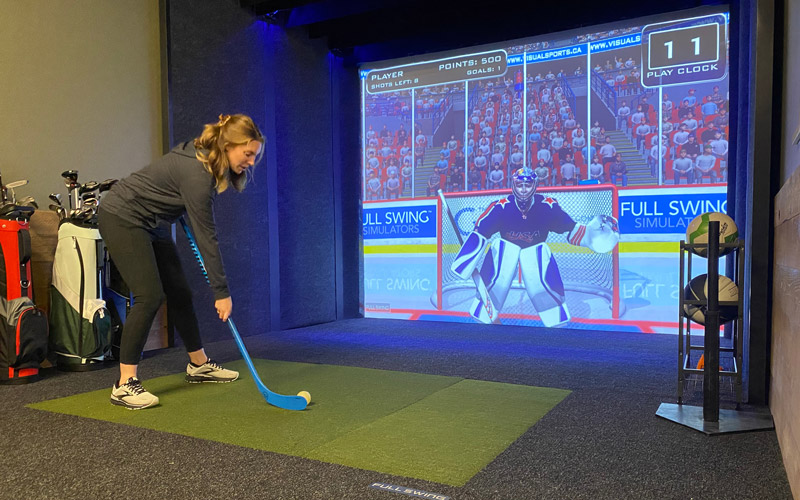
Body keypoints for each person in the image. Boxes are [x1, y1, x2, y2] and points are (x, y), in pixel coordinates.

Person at [98, 114, 264, 409]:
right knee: (149, 296)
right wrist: (221, 292)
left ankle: (198, 365)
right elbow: (207, 238)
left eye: (254, 155)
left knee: (180, 292)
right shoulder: (198, 175)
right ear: (228, 145)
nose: (251, 162)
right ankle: (124, 384)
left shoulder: (204, 161)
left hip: (153, 221)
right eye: (248, 154)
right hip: (122, 217)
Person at [449, 167, 619, 327]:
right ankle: (485, 303)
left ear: (535, 185)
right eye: (519, 185)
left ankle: (553, 310)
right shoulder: (500, 207)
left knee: (537, 253)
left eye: (527, 184)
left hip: (535, 255)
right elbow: (481, 233)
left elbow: (569, 228)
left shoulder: (547, 206)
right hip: (506, 254)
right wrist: (465, 261)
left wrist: (589, 237)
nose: (523, 189)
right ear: (514, 185)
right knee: (501, 248)